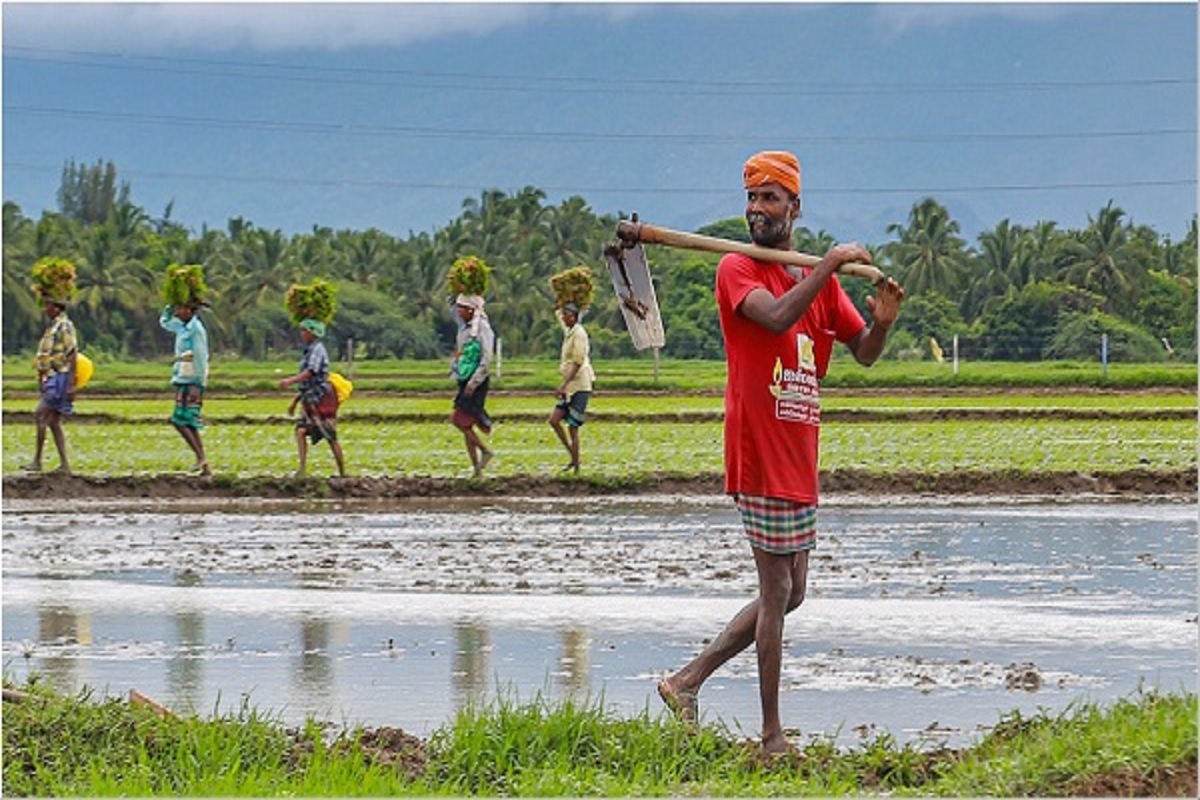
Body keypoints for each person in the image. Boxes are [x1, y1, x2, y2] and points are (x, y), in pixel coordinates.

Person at [655, 150, 905, 756]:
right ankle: (771, 735)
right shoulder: (739, 270)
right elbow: (772, 321)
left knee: (793, 593)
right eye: (751, 199)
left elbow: (863, 351)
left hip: (800, 455)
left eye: (770, 199)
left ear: (795, 207)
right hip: (760, 453)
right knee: (775, 593)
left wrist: (885, 321)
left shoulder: (812, 281)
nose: (757, 211)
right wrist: (831, 264)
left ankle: (685, 681)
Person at [279, 318, 346, 478]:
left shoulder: (317, 349)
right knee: (301, 431)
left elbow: (311, 372)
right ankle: (302, 469)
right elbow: (307, 383)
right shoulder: (308, 350)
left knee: (330, 435)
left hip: (322, 398)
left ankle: (343, 473)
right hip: (310, 399)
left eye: (304, 331)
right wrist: (294, 402)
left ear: (312, 333)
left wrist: (290, 381)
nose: (302, 334)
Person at [25, 298, 77, 474]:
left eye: (48, 305)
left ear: (56, 308)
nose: (46, 309)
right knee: (53, 422)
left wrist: (71, 383)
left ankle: (37, 461)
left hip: (60, 376)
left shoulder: (65, 326)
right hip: (52, 376)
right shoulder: (52, 327)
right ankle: (64, 465)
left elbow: (72, 352)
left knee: (40, 414)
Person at [160, 302, 211, 476]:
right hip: (182, 378)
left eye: (180, 309)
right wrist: (169, 305)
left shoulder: (196, 329)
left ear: (189, 310)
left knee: (182, 420)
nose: (177, 312)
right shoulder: (182, 327)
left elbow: (201, 356)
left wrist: (200, 382)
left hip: (192, 379)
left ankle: (201, 458)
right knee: (186, 421)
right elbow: (165, 322)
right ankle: (204, 464)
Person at [450, 293, 496, 478]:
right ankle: (477, 470)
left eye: (462, 308)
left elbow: (486, 358)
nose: (459, 311)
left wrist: (473, 382)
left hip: (476, 381)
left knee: (457, 420)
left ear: (471, 310)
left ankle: (485, 451)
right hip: (465, 378)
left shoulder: (483, 328)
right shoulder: (464, 328)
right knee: (466, 424)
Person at [548, 302, 595, 474]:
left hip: (579, 386)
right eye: (563, 315)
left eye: (566, 315)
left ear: (573, 317)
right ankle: (573, 456)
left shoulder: (579, 334)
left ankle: (576, 467)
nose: (563, 318)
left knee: (573, 427)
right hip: (569, 386)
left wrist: (563, 385)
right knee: (554, 420)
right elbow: (559, 315)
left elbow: (578, 362)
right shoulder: (569, 331)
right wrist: (559, 304)